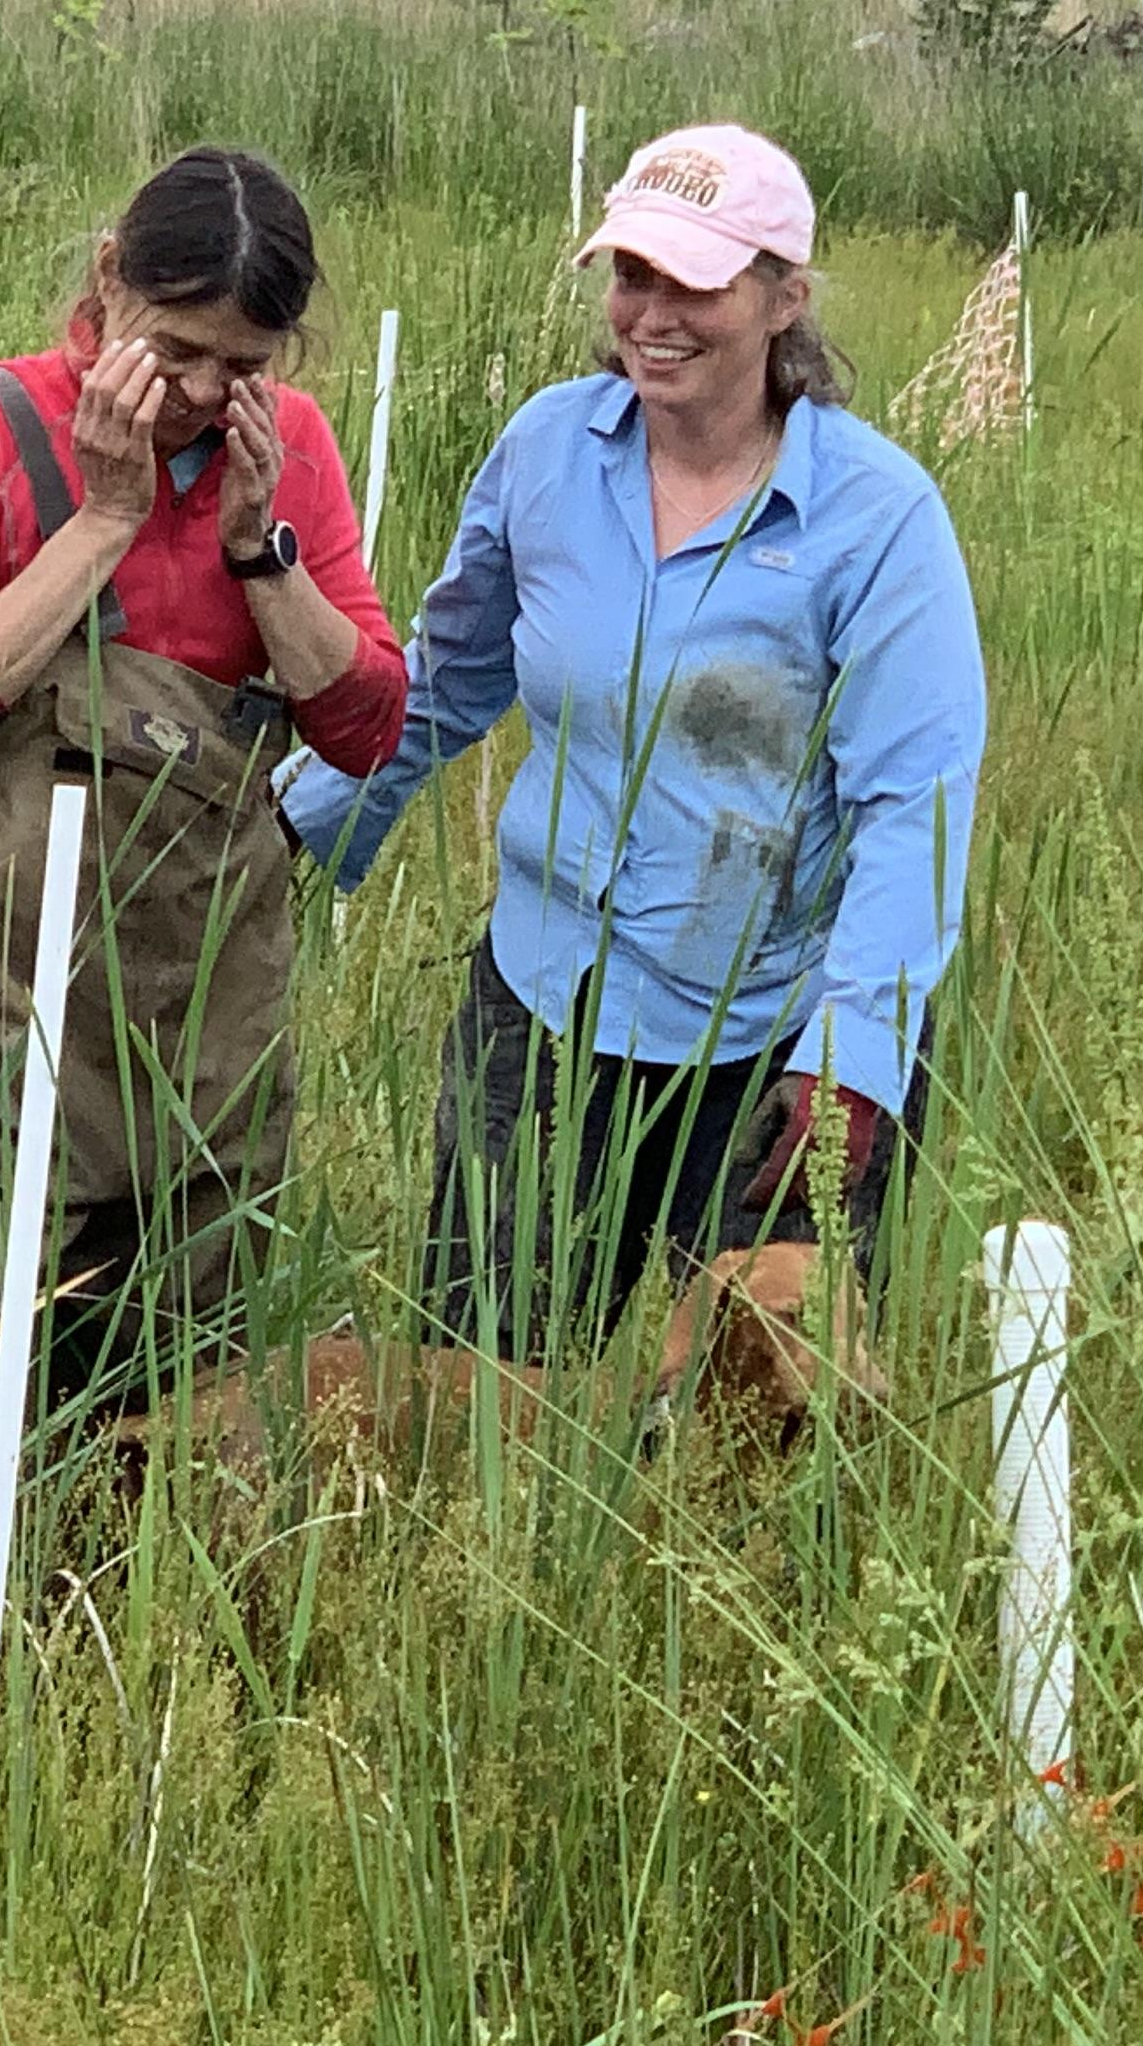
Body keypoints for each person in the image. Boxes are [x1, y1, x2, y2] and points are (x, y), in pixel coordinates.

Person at [279, 122, 984, 1424]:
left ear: (784, 298)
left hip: (774, 1051)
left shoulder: (879, 522)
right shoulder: (551, 453)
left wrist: (855, 1063)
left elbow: (912, 810)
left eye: (695, 285)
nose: (652, 317)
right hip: (544, 1021)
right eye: (632, 278)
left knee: (752, 1429)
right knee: (487, 1405)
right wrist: (291, 831)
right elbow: (450, 674)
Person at [0, 146, 407, 1439]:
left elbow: (366, 724)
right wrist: (103, 520)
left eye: (243, 366)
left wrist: (260, 548)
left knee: (179, 1436)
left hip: (199, 1040)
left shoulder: (286, 451)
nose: (203, 391)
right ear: (106, 282)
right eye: (177, 347)